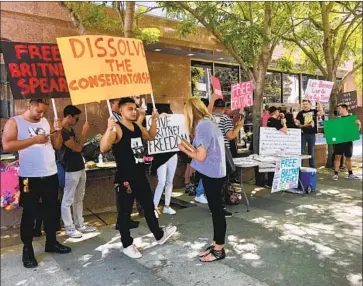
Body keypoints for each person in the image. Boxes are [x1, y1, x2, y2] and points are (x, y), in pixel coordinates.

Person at [100, 97, 177, 259]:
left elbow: (150, 136)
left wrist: (154, 120)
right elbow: (103, 147)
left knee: (149, 206)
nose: (134, 111)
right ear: (120, 110)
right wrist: (109, 128)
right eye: (129, 108)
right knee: (124, 213)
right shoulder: (117, 129)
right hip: (125, 178)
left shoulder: (136, 126)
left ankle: (159, 235)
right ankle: (127, 244)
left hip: (139, 175)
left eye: (134, 108)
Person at [2, 98, 71, 268]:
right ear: (29, 105)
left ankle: (51, 242)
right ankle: (28, 249)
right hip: (29, 176)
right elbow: (7, 145)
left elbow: (56, 145)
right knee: (30, 213)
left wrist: (58, 131)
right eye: (38, 111)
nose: (41, 114)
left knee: (51, 209)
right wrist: (34, 140)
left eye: (44, 112)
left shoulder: (46, 121)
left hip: (50, 173)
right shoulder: (15, 122)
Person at [178, 97, 227, 263]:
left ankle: (219, 249)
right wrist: (188, 146)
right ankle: (216, 244)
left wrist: (185, 149)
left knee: (217, 212)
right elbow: (203, 150)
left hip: (212, 173)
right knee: (216, 211)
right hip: (215, 172)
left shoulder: (203, 126)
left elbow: (200, 155)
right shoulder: (209, 122)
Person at [59, 105, 97, 238]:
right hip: (70, 168)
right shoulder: (62, 132)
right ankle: (69, 227)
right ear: (69, 116)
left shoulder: (70, 129)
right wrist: (84, 132)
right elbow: (77, 147)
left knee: (79, 197)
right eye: (76, 118)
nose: (77, 120)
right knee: (68, 199)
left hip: (79, 166)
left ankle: (79, 223)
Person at [110, 98, 141, 229]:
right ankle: (122, 222)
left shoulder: (131, 122)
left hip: (134, 162)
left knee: (130, 197)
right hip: (123, 165)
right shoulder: (113, 120)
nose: (133, 111)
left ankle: (126, 219)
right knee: (123, 197)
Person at [151, 107, 178, 216]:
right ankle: (154, 207)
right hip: (161, 155)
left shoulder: (173, 124)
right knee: (161, 182)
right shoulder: (155, 125)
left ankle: (167, 205)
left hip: (172, 153)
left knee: (169, 181)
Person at [332, 104, 361, 181]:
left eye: (339, 108)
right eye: (338, 108)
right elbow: (334, 131)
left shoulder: (352, 119)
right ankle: (335, 174)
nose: (338, 110)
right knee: (337, 157)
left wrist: (359, 125)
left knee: (348, 157)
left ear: (344, 109)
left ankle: (350, 174)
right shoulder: (337, 118)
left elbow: (356, 132)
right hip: (339, 140)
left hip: (348, 141)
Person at [296, 100, 324, 168]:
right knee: (301, 152)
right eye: (304, 104)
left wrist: (319, 103)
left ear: (310, 105)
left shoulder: (313, 111)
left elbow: (322, 113)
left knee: (311, 152)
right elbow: (297, 125)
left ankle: (312, 168)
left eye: (306, 104)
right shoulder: (300, 113)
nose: (305, 105)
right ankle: (300, 168)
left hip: (312, 135)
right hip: (303, 135)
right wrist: (304, 125)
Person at [265, 106, 288, 187]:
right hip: (276, 146)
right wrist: (284, 122)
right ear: (275, 112)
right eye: (278, 111)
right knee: (275, 164)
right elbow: (285, 131)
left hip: (270, 145)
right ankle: (272, 182)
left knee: (272, 163)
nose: (279, 112)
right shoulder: (275, 121)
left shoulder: (269, 120)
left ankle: (270, 182)